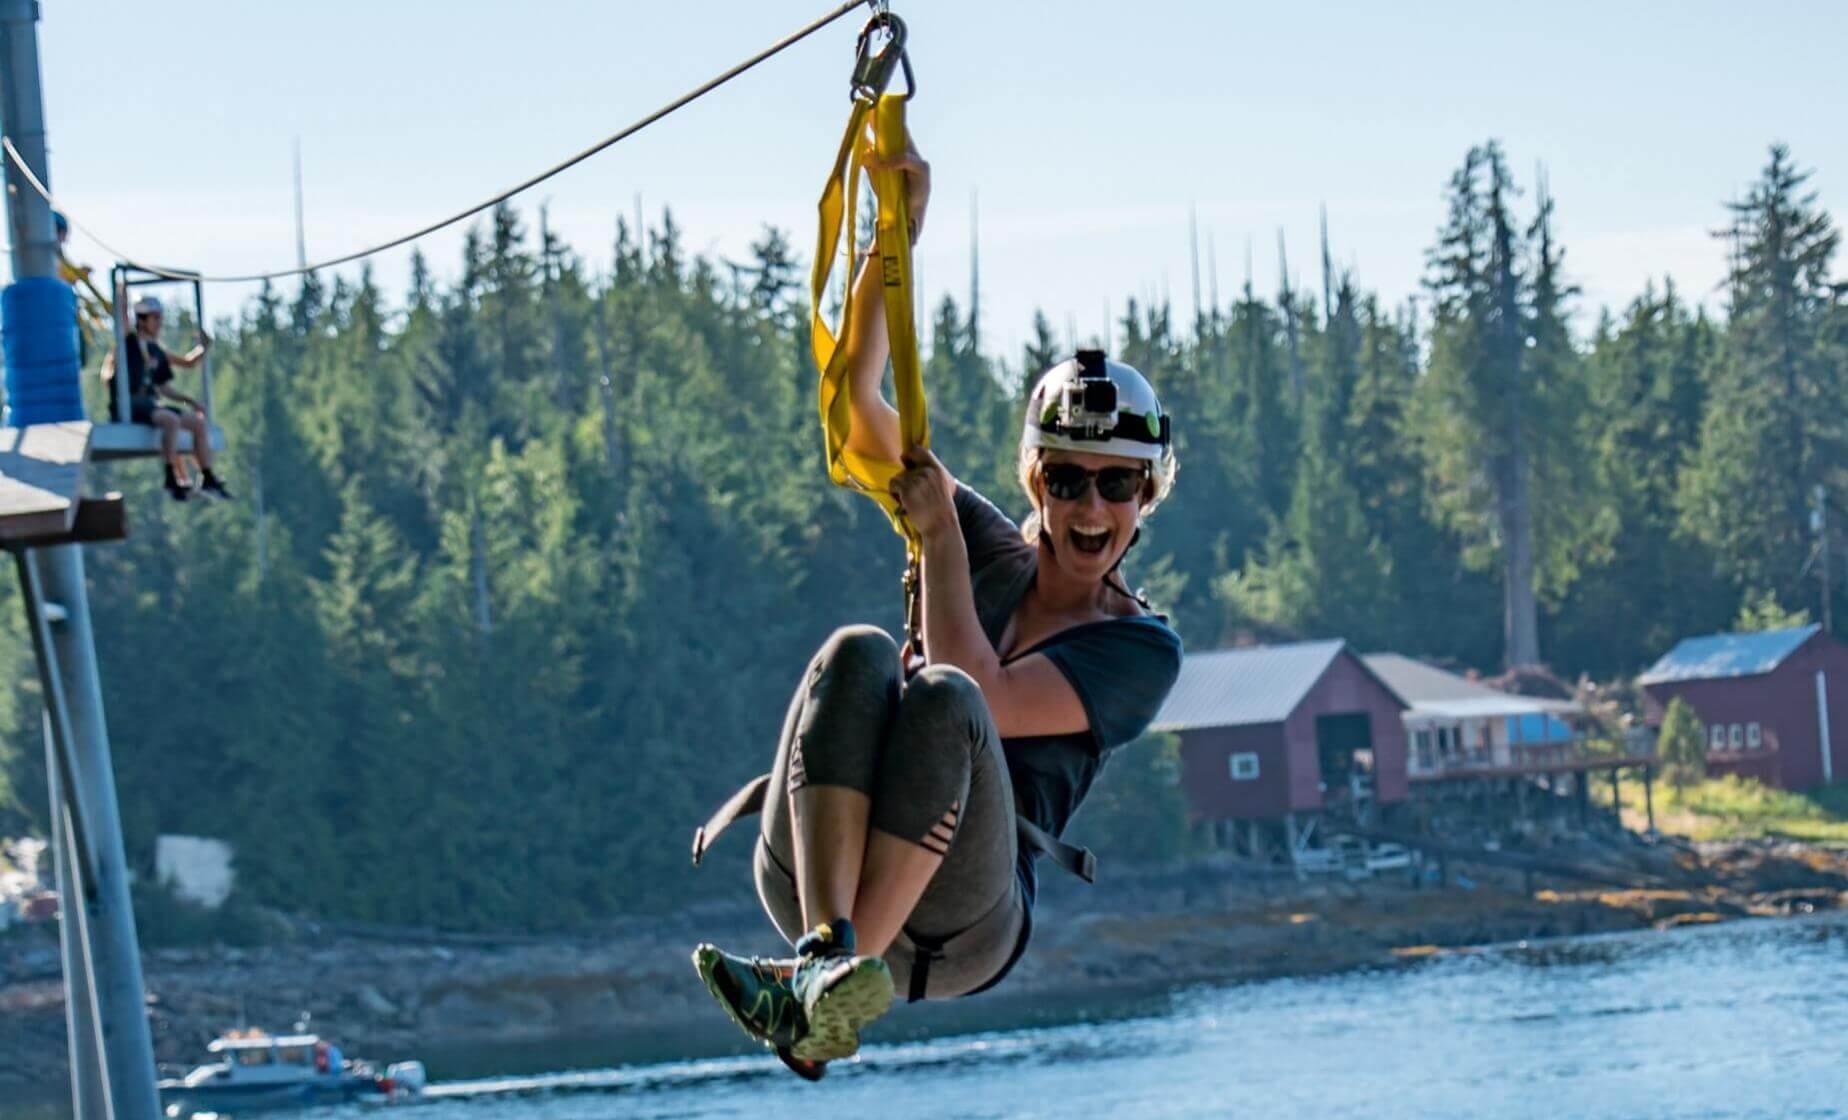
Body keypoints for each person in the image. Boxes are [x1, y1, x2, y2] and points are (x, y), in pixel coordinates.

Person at [691, 139, 1183, 1076]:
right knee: (856, 650)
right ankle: (821, 964)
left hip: (967, 923)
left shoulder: (1139, 651)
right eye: (1070, 481)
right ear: (1038, 482)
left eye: (1116, 487)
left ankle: (828, 980)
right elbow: (861, 409)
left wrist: (941, 542)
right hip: (814, 876)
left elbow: (987, 699)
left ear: (1144, 498)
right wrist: (892, 242)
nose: (1090, 509)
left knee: (951, 701)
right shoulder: (991, 550)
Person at [121, 295, 231, 502]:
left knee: (197, 423)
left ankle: (207, 476)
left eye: (160, 318)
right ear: (142, 320)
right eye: (155, 318)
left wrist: (190, 400)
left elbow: (166, 383)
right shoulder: (130, 342)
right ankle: (171, 477)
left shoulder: (156, 350)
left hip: (152, 404)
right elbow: (122, 317)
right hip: (134, 403)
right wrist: (121, 289)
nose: (160, 323)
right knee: (170, 421)